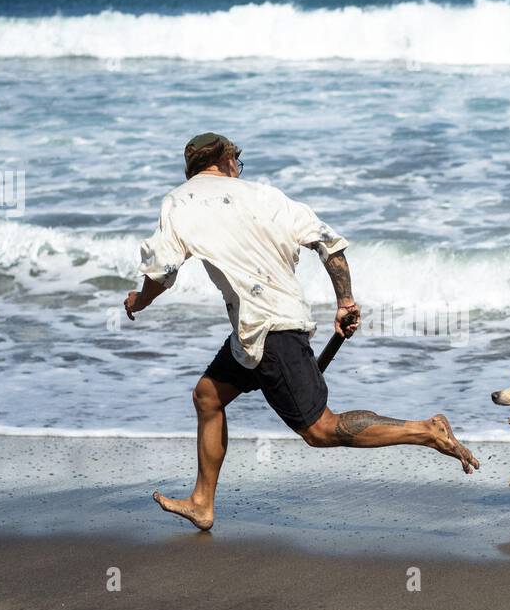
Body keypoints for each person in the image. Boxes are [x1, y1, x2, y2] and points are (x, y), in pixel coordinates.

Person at [123, 132, 480, 531]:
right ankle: (202, 503)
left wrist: (141, 300)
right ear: (226, 161)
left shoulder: (180, 201)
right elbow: (329, 245)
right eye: (238, 162)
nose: (239, 170)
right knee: (208, 396)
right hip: (263, 327)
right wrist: (345, 301)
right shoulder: (266, 196)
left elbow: (162, 270)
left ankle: (425, 430)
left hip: (267, 330)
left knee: (321, 430)